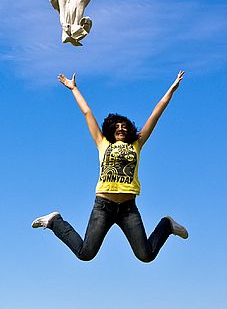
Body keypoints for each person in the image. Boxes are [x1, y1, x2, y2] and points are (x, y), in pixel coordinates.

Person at [32, 70, 189, 262]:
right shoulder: (102, 143)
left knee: (146, 255)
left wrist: (171, 90)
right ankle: (55, 221)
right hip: (103, 206)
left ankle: (167, 225)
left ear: (129, 129)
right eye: (117, 126)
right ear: (110, 130)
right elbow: (87, 112)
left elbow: (156, 113)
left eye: (124, 126)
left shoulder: (136, 144)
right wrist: (73, 89)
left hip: (128, 208)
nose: (121, 128)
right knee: (85, 253)